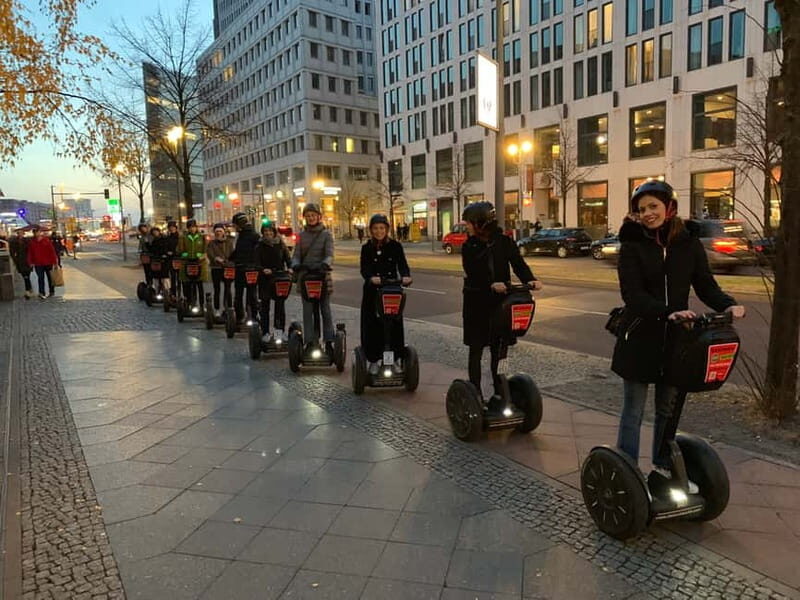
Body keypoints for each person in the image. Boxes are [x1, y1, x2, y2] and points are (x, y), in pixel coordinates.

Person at [612, 180, 746, 480]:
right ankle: (627, 472)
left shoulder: (688, 244)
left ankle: (662, 466)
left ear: (669, 207)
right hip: (639, 337)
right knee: (633, 411)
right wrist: (668, 311)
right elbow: (632, 295)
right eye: (641, 209)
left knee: (666, 409)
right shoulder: (632, 245)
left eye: (653, 207)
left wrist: (728, 304)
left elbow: (705, 284)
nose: (647, 213)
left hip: (676, 341)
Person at [461, 202, 542, 401]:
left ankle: (500, 390)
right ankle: (476, 392)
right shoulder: (469, 246)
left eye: (469, 223)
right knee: (477, 349)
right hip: (477, 304)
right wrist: (491, 283)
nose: (467, 227)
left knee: (500, 350)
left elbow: (518, 263)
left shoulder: (504, 242)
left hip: (501, 304)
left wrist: (530, 279)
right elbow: (473, 272)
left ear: (480, 223)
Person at [360, 214, 412, 375]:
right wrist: (370, 277)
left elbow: (402, 265)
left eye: (382, 228)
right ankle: (374, 360)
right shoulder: (367, 248)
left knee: (394, 325)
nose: (379, 231)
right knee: (372, 326)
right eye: (375, 228)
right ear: (371, 230)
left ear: (387, 229)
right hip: (372, 292)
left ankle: (395, 359)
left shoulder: (395, 246)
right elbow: (364, 269)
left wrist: (406, 276)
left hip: (391, 290)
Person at [291, 203, 335, 353]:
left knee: (325, 310)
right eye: (308, 216)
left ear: (318, 216)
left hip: (321, 275)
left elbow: (329, 254)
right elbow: (296, 255)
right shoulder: (301, 236)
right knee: (308, 311)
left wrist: (325, 264)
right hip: (306, 276)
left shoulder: (326, 234)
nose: (310, 218)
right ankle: (310, 341)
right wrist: (295, 265)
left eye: (313, 215)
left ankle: (329, 340)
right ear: (304, 218)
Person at [255, 222, 292, 342]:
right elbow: (256, 263)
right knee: (265, 306)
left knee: (280, 305)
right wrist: (262, 269)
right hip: (265, 279)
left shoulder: (280, 245)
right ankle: (265, 332)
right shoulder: (259, 246)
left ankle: (279, 331)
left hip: (279, 278)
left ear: (274, 232)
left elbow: (288, 259)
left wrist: (290, 268)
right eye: (265, 231)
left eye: (270, 231)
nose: (268, 233)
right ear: (263, 233)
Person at [229, 212, 260, 322]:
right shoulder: (249, 235)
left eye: (235, 225)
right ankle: (251, 315)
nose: (234, 227)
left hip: (245, 268)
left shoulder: (251, 236)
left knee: (242, 294)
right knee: (250, 293)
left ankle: (243, 316)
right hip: (247, 268)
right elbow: (238, 251)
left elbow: (257, 253)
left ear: (240, 224)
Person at [177, 219, 208, 307]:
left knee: (199, 285)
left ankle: (202, 305)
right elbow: (180, 250)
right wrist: (187, 255)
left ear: (196, 227)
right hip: (187, 263)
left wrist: (202, 255)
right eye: (190, 227)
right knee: (188, 284)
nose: (192, 229)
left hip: (199, 264)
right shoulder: (183, 237)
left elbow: (205, 250)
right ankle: (189, 303)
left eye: (193, 227)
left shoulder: (202, 237)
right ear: (188, 228)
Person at [206, 223, 234, 317]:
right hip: (216, 268)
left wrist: (226, 261)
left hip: (227, 268)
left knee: (228, 289)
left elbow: (232, 254)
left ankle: (228, 308)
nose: (218, 233)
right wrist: (215, 258)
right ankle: (217, 309)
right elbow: (210, 254)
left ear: (223, 232)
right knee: (216, 289)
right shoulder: (211, 243)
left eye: (220, 231)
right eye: (217, 231)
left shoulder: (229, 242)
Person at [27, 227, 59, 299]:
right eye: (36, 232)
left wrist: (55, 262)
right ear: (34, 233)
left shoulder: (46, 241)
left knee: (50, 277)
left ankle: (51, 291)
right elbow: (30, 253)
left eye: (38, 232)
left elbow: (52, 252)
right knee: (40, 278)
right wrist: (30, 262)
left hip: (48, 262)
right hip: (38, 263)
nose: (37, 234)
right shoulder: (32, 242)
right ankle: (41, 292)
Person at [9, 229, 33, 299]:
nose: (20, 234)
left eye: (22, 233)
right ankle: (28, 289)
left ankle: (28, 290)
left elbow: (30, 250)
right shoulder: (14, 242)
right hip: (20, 261)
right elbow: (12, 252)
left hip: (27, 260)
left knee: (27, 275)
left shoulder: (27, 241)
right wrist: (15, 259)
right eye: (19, 233)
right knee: (25, 276)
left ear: (23, 233)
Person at [165, 220, 180, 299]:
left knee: (180, 278)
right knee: (173, 277)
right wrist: (167, 252)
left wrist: (176, 252)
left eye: (173, 227)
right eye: (170, 228)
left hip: (179, 259)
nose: (171, 229)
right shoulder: (167, 238)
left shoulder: (180, 237)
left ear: (176, 228)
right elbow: (166, 248)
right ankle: (173, 294)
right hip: (171, 260)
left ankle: (180, 293)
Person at [137, 223, 153, 288]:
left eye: (144, 228)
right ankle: (149, 283)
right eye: (141, 229)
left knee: (153, 270)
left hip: (152, 255)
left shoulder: (151, 235)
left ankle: (152, 283)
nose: (143, 229)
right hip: (145, 256)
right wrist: (140, 251)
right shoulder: (142, 237)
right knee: (147, 271)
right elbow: (140, 246)